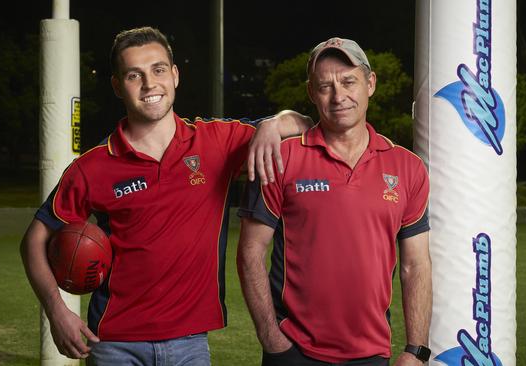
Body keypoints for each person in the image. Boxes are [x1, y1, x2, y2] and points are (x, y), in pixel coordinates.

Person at [20, 26, 312, 365]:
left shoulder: (215, 142)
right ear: (117, 86)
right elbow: (34, 240)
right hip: (115, 344)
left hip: (189, 344)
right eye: (134, 75)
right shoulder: (93, 166)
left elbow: (303, 122)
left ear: (174, 75)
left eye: (158, 69)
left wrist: (271, 125)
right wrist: (57, 312)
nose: (149, 84)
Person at [237, 37, 432, 366]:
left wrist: (417, 350)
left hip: (370, 354)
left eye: (348, 82)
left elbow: (416, 266)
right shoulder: (280, 157)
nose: (339, 96)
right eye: (325, 86)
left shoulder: (408, 167)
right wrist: (271, 337)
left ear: (370, 84)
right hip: (293, 351)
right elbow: (250, 253)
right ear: (311, 93)